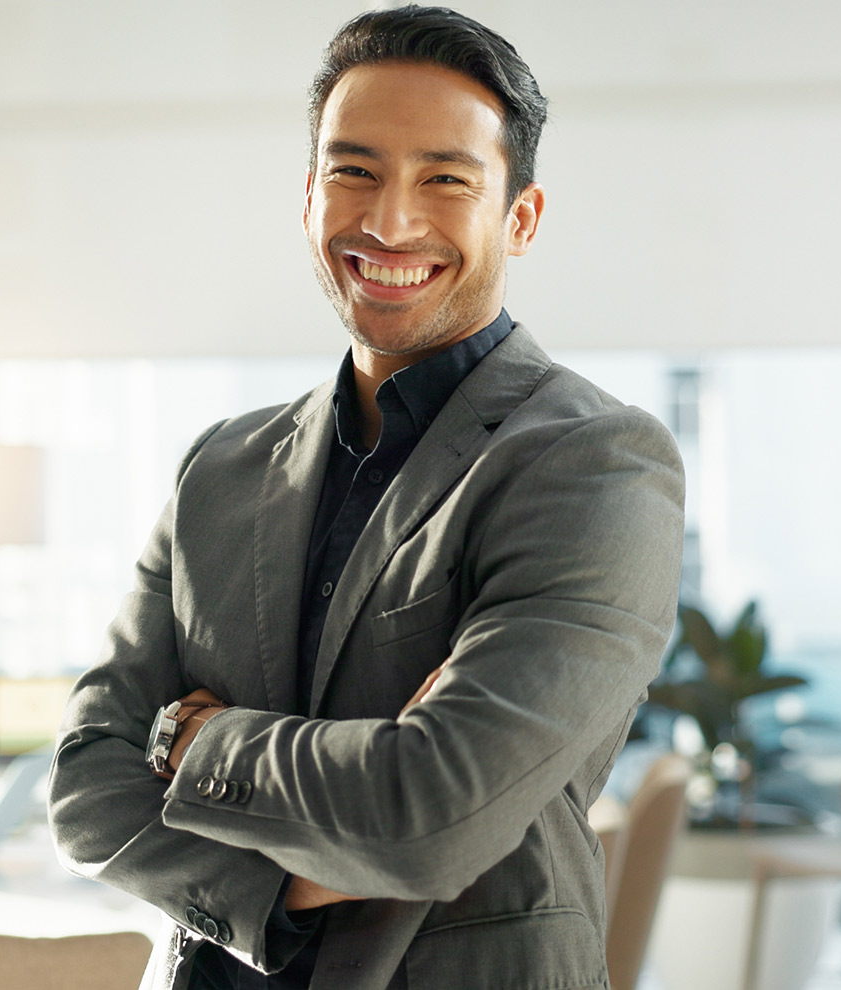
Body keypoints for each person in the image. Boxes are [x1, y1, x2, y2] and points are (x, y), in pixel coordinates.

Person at [48, 6, 685, 990]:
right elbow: (88, 788)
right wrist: (284, 888)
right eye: (355, 172)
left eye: (445, 178)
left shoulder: (595, 465)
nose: (389, 221)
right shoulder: (217, 468)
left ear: (519, 216)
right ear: (308, 198)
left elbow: (432, 814)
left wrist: (191, 740)